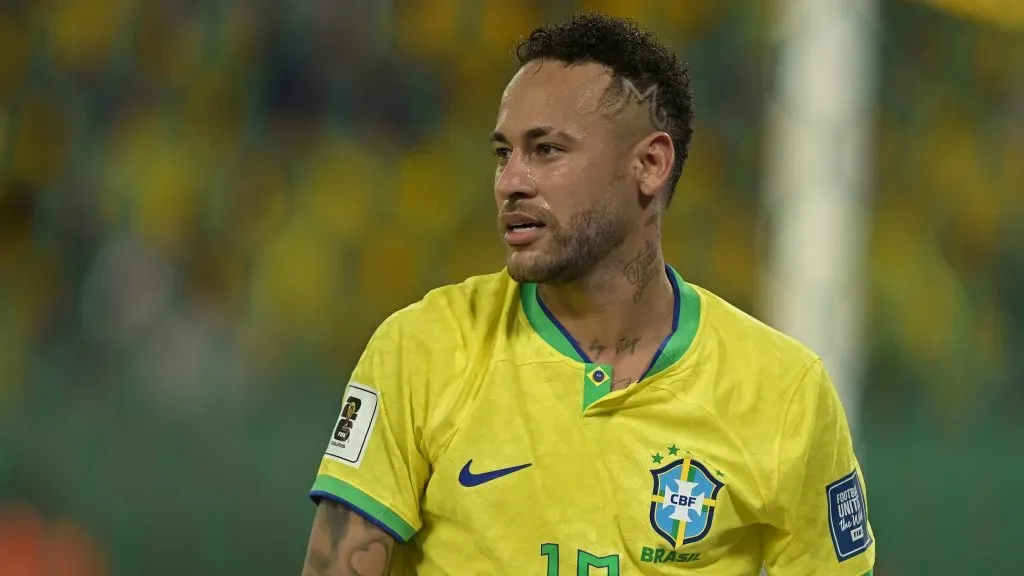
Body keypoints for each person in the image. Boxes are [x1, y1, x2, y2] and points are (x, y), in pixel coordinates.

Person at [301, 12, 875, 576]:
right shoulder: (423, 350)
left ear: (649, 164)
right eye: (503, 153)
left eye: (546, 150)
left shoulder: (783, 392)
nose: (511, 182)